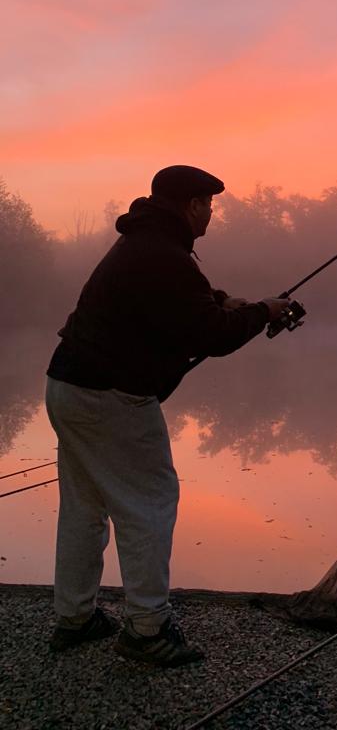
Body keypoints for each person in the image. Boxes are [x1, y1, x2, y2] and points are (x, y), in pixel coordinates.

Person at [45, 165, 293, 666]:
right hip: (110, 397)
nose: (211, 215)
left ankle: (74, 618)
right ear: (192, 205)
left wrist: (225, 302)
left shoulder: (145, 243)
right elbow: (212, 335)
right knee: (149, 506)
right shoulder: (163, 254)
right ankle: (147, 629)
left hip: (69, 387)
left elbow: (183, 306)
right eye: (209, 205)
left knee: (84, 507)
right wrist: (264, 311)